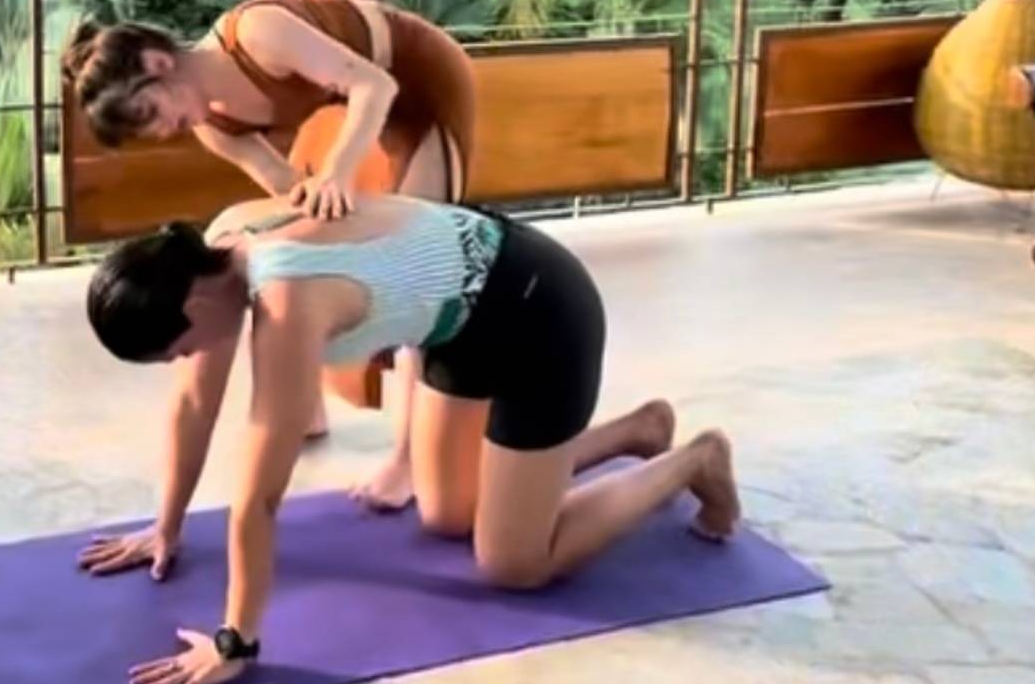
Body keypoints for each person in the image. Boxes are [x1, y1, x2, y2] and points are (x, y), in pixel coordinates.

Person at [75, 194, 742, 684]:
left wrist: (236, 643)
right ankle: (639, 429)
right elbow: (194, 404)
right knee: (449, 513)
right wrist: (165, 527)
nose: (187, 363)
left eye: (179, 350)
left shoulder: (286, 301)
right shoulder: (216, 249)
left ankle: (695, 459)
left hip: (540, 314)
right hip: (462, 326)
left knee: (514, 563)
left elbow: (260, 498)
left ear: (192, 309)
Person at [62, 0, 478, 510]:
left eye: (150, 111)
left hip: (414, 79)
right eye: (146, 130)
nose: (162, 131)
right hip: (345, 105)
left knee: (413, 263)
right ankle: (308, 400)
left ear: (157, 62)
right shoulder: (214, 127)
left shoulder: (258, 32)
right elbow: (291, 198)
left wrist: (338, 173)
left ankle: (406, 460)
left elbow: (375, 84)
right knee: (316, 247)